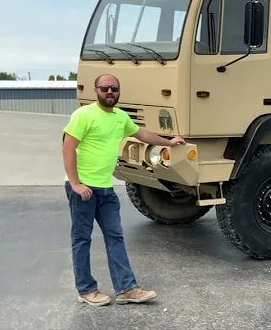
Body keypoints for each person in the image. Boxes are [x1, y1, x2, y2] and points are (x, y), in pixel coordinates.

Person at [62, 73, 185, 307]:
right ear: (96, 90)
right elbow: (68, 148)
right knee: (82, 239)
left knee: (115, 236)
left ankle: (126, 288)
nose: (110, 92)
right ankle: (86, 289)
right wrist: (76, 184)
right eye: (105, 88)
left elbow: (142, 134)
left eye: (114, 88)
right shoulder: (84, 115)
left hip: (105, 189)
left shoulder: (120, 117)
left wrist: (170, 142)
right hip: (83, 189)